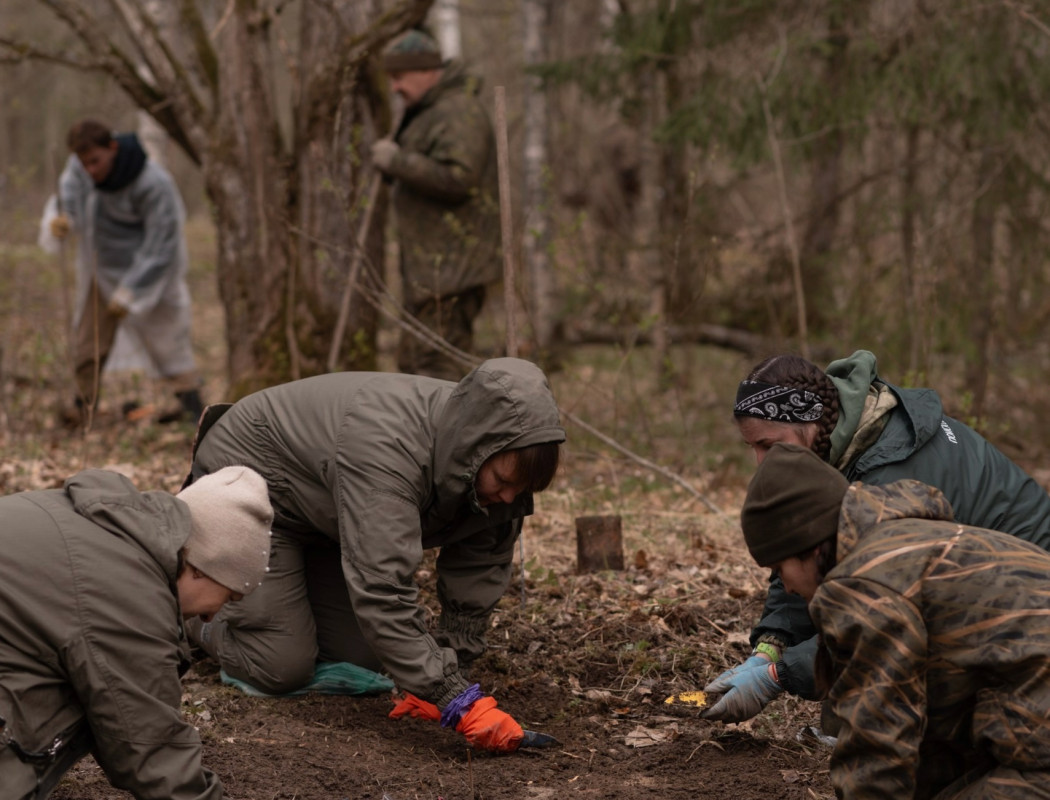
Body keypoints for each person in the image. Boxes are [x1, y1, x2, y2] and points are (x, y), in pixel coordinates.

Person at [184, 357, 565, 753]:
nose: (508, 497)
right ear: (475, 447)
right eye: (502, 481)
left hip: (324, 514)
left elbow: (477, 574)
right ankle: (196, 612)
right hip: (254, 482)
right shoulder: (389, 452)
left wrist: (453, 668)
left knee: (359, 656)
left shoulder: (492, 477)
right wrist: (453, 697)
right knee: (279, 664)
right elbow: (383, 590)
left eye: (521, 489)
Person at [702, 350, 1050, 724]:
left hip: (1026, 614)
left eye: (769, 445)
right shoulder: (832, 444)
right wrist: (771, 646)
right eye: (753, 447)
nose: (761, 462)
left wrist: (778, 676)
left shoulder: (888, 473)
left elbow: (877, 619)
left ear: (810, 421)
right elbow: (801, 555)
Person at [736, 442, 1050, 799]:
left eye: (780, 568)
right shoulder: (904, 541)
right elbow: (930, 722)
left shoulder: (866, 584)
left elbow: (877, 746)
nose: (788, 587)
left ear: (812, 545)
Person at [0, 465, 273, 800]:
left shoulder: (99, 525)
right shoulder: (130, 594)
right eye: (229, 596)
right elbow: (152, 747)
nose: (210, 615)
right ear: (204, 568)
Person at [45, 118, 203, 426]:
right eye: (84, 163)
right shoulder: (79, 168)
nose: (90, 169)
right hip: (101, 268)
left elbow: (162, 244)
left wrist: (131, 290)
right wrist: (61, 220)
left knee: (166, 338)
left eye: (96, 161)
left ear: (112, 148)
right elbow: (68, 200)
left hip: (149, 274)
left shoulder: (153, 183)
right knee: (89, 341)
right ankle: (83, 408)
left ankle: (193, 407)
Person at [372, 28, 501, 380]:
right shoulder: (429, 111)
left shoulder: (458, 111)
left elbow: (459, 178)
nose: (395, 87)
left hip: (453, 271)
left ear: (427, 71)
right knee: (415, 363)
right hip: (433, 269)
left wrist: (397, 161)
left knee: (438, 368)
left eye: (400, 76)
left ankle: (459, 420)